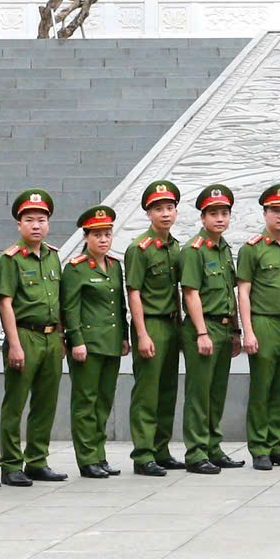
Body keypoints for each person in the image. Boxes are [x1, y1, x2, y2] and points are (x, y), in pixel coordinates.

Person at [0, 188, 68, 485]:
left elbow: (59, 299)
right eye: (29, 220)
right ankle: (11, 464)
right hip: (24, 335)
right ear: (19, 225)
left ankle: (37, 460)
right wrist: (14, 344)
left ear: (48, 223)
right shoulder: (10, 259)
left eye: (41, 220)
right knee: (15, 403)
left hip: (51, 337)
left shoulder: (53, 257)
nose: (36, 225)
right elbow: (5, 303)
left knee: (45, 402)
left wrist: (61, 335)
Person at [235, 184, 280, 469]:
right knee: (262, 388)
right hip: (264, 323)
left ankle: (275, 444)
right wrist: (248, 331)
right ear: (265, 213)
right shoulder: (252, 249)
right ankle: (259, 448)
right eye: (276, 211)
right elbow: (243, 292)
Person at [125, 179, 189, 474]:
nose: (165, 213)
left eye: (170, 208)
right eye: (158, 209)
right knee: (147, 392)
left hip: (172, 324)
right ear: (148, 213)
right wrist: (141, 334)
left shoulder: (176, 248)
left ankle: (161, 450)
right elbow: (134, 293)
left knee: (167, 391)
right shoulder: (139, 248)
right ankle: (143, 454)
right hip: (150, 324)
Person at [177, 184, 242, 474]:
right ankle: (196, 452)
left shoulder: (225, 249)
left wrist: (236, 331)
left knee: (216, 393)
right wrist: (202, 333)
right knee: (199, 394)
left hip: (225, 329)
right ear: (203, 217)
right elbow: (190, 293)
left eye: (224, 213)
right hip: (203, 329)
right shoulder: (195, 250)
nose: (219, 219)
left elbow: (230, 293)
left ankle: (214, 448)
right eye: (213, 214)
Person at [61, 205, 129, 479]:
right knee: (86, 401)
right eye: (97, 235)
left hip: (110, 342)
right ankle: (87, 458)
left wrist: (124, 336)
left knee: (104, 400)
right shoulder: (76, 268)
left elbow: (120, 305)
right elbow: (70, 308)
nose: (103, 239)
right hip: (87, 345)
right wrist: (76, 340)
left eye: (107, 234)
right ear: (86, 237)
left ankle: (100, 454)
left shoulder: (114, 266)